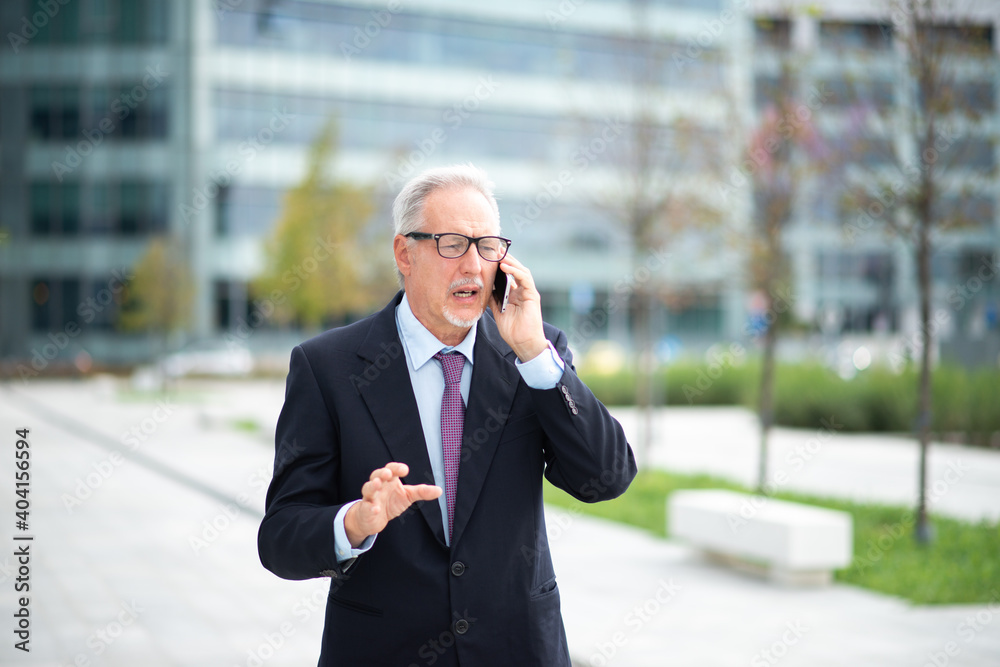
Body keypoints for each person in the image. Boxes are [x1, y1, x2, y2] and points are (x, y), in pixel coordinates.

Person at [258, 163, 636, 666]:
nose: (474, 266)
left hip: (516, 649)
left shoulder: (532, 355)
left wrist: (534, 355)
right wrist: (355, 522)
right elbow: (281, 536)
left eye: (487, 246)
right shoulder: (327, 367)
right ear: (404, 253)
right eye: (453, 244)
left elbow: (605, 478)